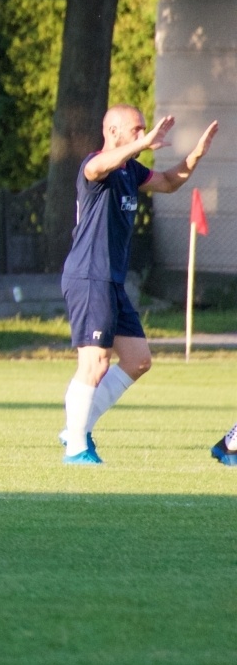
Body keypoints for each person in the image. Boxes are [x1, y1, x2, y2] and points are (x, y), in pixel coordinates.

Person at [58, 105, 217, 464]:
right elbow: (96, 167)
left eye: (144, 129)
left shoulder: (131, 170)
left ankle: (75, 428)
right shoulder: (96, 166)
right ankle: (76, 448)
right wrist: (140, 144)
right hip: (88, 276)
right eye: (136, 130)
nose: (144, 135)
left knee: (137, 360)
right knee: (95, 362)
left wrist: (195, 156)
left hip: (110, 280)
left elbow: (169, 182)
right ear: (112, 132)